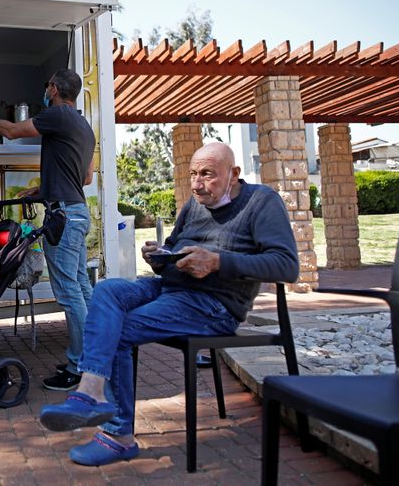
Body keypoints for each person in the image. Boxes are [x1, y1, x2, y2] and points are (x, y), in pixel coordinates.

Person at [37, 142, 299, 467]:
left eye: (207, 175)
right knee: (108, 291)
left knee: (117, 330)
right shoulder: (195, 204)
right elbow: (174, 245)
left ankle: (117, 436)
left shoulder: (261, 202)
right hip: (169, 287)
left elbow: (286, 266)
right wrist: (159, 256)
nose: (197, 184)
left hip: (214, 305)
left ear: (233, 175)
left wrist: (217, 262)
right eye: (193, 174)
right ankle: (90, 392)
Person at [0, 69, 95, 391]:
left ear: (53, 88)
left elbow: (10, 131)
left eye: (46, 84)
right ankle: (96, 357)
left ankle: (80, 367)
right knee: (81, 288)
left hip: (63, 217)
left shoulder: (57, 115)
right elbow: (86, 178)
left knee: (69, 294)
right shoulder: (84, 125)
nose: (45, 89)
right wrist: (41, 191)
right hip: (77, 212)